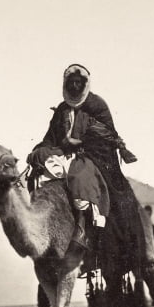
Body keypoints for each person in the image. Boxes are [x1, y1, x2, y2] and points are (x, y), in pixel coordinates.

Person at [28, 63, 136, 255]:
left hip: (92, 156)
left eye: (79, 82)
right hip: (64, 154)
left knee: (80, 177)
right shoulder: (62, 108)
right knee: (40, 164)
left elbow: (108, 136)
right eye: (73, 82)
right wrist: (43, 149)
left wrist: (77, 143)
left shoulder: (97, 105)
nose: (76, 86)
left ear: (85, 83)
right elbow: (50, 137)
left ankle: (83, 228)